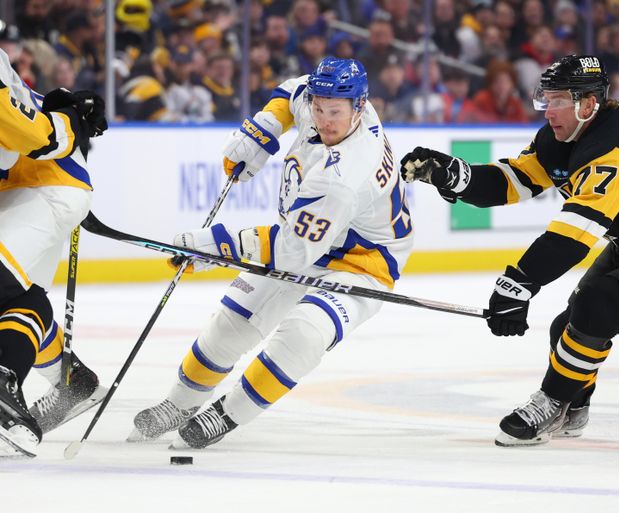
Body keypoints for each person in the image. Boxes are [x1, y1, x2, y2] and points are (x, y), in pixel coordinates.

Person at [401, 55, 619, 447]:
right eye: (545, 98)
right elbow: (514, 181)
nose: (548, 111)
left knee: (598, 305)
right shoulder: (562, 136)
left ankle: (553, 400)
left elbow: (574, 234)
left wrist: (518, 284)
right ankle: (575, 406)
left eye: (558, 100)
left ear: (588, 104)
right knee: (564, 329)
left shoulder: (614, 149)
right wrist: (453, 175)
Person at [131, 57, 413, 449]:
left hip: (361, 261)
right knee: (230, 323)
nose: (324, 119)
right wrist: (262, 129)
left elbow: (291, 252)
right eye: (319, 108)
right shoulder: (325, 102)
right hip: (312, 238)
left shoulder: (346, 176)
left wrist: (217, 247)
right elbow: (293, 90)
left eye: (334, 112)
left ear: (360, 107)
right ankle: (179, 404)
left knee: (304, 333)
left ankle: (227, 414)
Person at [0, 48, 107, 458]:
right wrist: (66, 110)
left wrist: (66, 118)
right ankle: (71, 378)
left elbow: (25, 130)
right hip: (20, 190)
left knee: (7, 288)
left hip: (44, 186)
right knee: (22, 300)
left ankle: (5, 379)